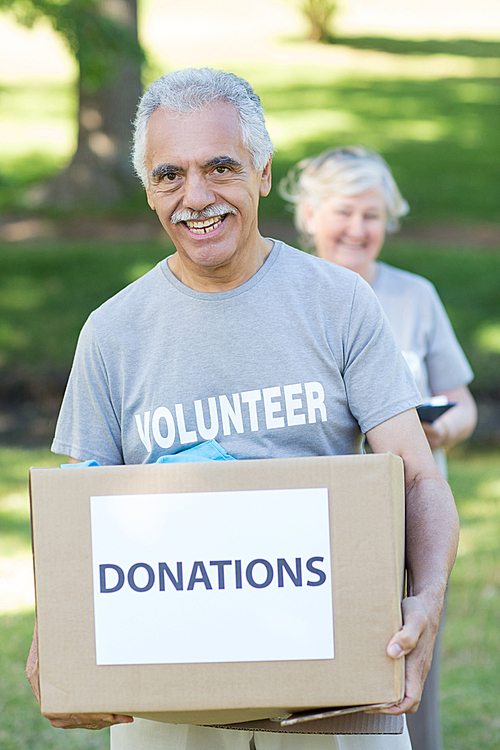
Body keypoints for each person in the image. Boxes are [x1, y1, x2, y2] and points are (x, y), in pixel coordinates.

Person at [26, 69, 459, 750]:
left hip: (334, 688)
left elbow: (415, 476)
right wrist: (56, 635)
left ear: (261, 172)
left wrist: (426, 599)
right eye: (169, 175)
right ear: (148, 189)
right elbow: (81, 521)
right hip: (167, 701)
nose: (195, 197)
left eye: (220, 167)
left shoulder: (340, 304)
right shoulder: (111, 333)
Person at [280, 145, 477, 750]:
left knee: (411, 648)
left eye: (374, 216)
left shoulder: (415, 296)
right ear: (309, 214)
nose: (360, 229)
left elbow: (463, 402)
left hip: (408, 511)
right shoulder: (287, 295)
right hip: (325, 517)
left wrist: (439, 428)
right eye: (345, 212)